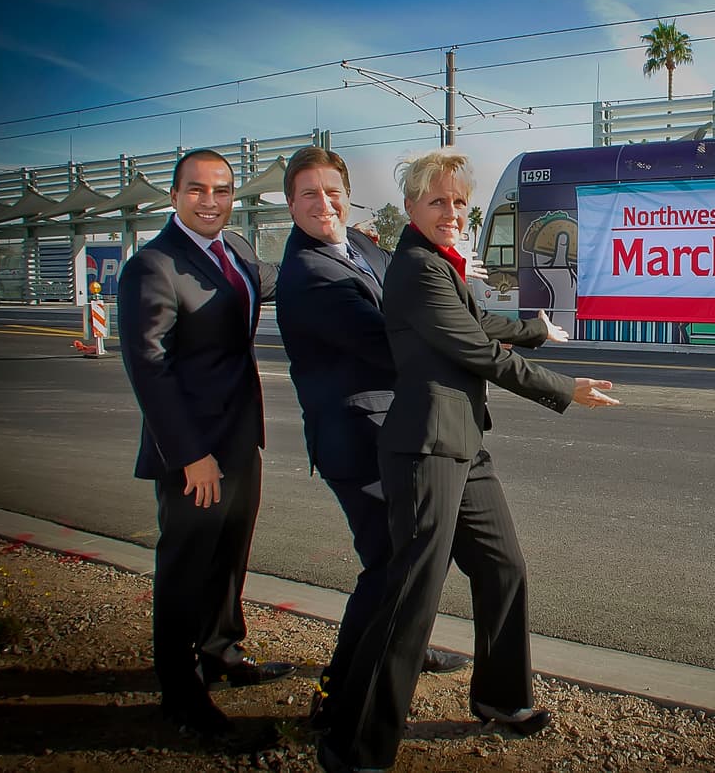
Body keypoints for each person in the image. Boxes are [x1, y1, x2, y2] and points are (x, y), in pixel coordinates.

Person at [316, 148, 619, 773]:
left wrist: (536, 327)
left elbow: (478, 320)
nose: (452, 212)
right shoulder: (417, 270)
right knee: (412, 597)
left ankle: (500, 699)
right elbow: (477, 350)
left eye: (459, 201)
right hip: (426, 448)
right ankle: (354, 745)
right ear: (411, 208)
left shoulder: (439, 265)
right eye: (438, 201)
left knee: (503, 566)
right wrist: (564, 387)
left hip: (463, 442)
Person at [273, 146, 472, 732]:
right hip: (357, 437)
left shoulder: (361, 246)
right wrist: (464, 343)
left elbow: (411, 288)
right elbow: (392, 346)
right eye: (309, 193)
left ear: (347, 194)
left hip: (397, 425)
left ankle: (403, 647)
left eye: (332, 190)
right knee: (389, 563)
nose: (323, 202)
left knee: (405, 557)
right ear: (290, 205)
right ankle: (339, 696)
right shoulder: (309, 275)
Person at [117, 149, 293, 739]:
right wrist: (190, 455)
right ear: (174, 195)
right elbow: (149, 365)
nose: (211, 200)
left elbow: (284, 274)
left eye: (221, 190)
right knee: (185, 566)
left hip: (242, 439)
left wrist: (352, 243)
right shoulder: (154, 265)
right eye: (197, 190)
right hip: (193, 453)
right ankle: (180, 690)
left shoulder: (236, 252)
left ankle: (221, 651)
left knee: (228, 559)